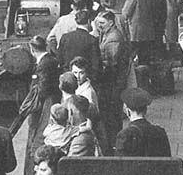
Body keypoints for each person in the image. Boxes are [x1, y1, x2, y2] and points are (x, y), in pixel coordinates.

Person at [9, 36, 60, 141]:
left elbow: (42, 88)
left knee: (37, 127)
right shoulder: (51, 59)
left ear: (32, 50)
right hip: (51, 98)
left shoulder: (43, 64)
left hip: (44, 102)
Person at [94, 10, 129, 149]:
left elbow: (111, 64)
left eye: (102, 23)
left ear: (111, 22)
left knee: (112, 113)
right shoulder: (107, 33)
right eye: (98, 23)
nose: (99, 25)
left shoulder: (113, 38)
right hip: (113, 81)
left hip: (112, 83)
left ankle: (114, 143)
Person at [122, 0, 167, 67]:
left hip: (139, 34)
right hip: (156, 32)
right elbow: (164, 12)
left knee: (141, 62)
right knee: (152, 60)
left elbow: (126, 13)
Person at [113, 87, 172, 157]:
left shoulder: (124, 136)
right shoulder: (160, 132)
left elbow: (118, 165)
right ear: (145, 110)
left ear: (128, 111)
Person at [56, 10, 101, 80]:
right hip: (84, 78)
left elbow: (59, 59)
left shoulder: (65, 37)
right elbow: (96, 64)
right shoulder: (92, 40)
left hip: (67, 77)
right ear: (89, 21)